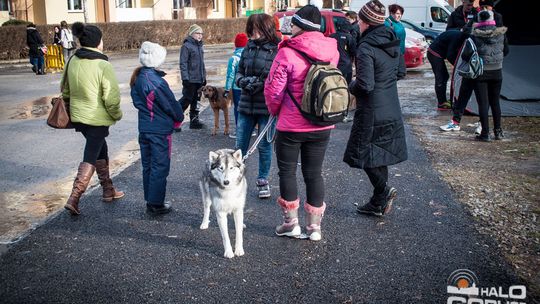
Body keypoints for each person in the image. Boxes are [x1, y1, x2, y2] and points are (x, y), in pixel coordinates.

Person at [264, 5, 339, 241]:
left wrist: (275, 112)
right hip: (321, 122)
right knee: (314, 173)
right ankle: (314, 227)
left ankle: (291, 224)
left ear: (301, 25)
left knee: (287, 171)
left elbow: (273, 90)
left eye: (293, 23)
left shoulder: (286, 52)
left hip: (291, 125)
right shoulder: (332, 50)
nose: (291, 28)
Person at [343, 0, 407, 217]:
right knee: (380, 155)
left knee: (362, 154)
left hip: (371, 111)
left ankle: (384, 190)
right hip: (391, 105)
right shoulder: (393, 40)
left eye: (360, 20)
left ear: (367, 23)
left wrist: (350, 84)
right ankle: (378, 202)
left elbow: (365, 85)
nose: (358, 24)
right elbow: (400, 72)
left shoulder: (366, 47)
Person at [63, 22, 124, 216]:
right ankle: (74, 197)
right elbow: (111, 98)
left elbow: (65, 89)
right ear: (98, 42)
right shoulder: (103, 64)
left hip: (78, 117)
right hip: (96, 118)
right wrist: (116, 115)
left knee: (100, 148)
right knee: (91, 154)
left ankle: (108, 190)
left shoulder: (73, 60)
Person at [131, 41, 184, 214]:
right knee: (160, 165)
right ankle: (155, 203)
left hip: (146, 128)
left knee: (148, 164)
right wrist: (179, 117)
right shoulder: (155, 82)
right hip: (158, 130)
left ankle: (151, 199)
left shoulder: (139, 78)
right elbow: (170, 104)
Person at [235, 14, 279, 199]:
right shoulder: (248, 48)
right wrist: (243, 81)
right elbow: (239, 72)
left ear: (265, 28)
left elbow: (277, 77)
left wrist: (261, 84)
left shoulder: (277, 49)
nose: (252, 32)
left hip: (266, 107)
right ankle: (235, 179)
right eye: (251, 28)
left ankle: (263, 180)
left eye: (256, 28)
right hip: (246, 104)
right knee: (240, 146)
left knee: (264, 146)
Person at [427, 29, 469, 110]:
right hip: (434, 53)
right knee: (441, 77)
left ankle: (445, 100)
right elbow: (450, 55)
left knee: (445, 76)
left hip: (440, 52)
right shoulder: (457, 38)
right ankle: (441, 103)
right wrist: (457, 66)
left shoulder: (461, 37)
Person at [179, 24, 206, 130]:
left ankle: (194, 121)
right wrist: (185, 78)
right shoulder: (186, 46)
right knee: (186, 99)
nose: (200, 36)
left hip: (199, 78)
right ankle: (175, 120)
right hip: (190, 79)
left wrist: (204, 77)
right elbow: (183, 63)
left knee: (196, 100)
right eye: (197, 33)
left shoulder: (200, 46)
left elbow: (202, 63)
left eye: (201, 34)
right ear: (192, 34)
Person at [224, 33, 248, 139]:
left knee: (238, 109)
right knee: (248, 108)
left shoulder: (233, 58)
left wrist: (227, 88)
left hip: (237, 88)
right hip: (249, 86)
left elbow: (230, 75)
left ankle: (239, 131)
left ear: (236, 44)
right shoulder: (249, 56)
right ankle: (248, 130)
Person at [330, 18, 356, 83]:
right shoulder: (349, 37)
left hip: (334, 64)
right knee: (346, 84)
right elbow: (353, 51)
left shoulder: (332, 36)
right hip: (346, 65)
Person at [384, 4, 406, 79]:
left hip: (400, 51)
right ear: (391, 13)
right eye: (397, 13)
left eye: (400, 14)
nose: (399, 16)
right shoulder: (387, 23)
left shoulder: (399, 23)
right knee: (397, 73)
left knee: (401, 73)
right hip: (392, 53)